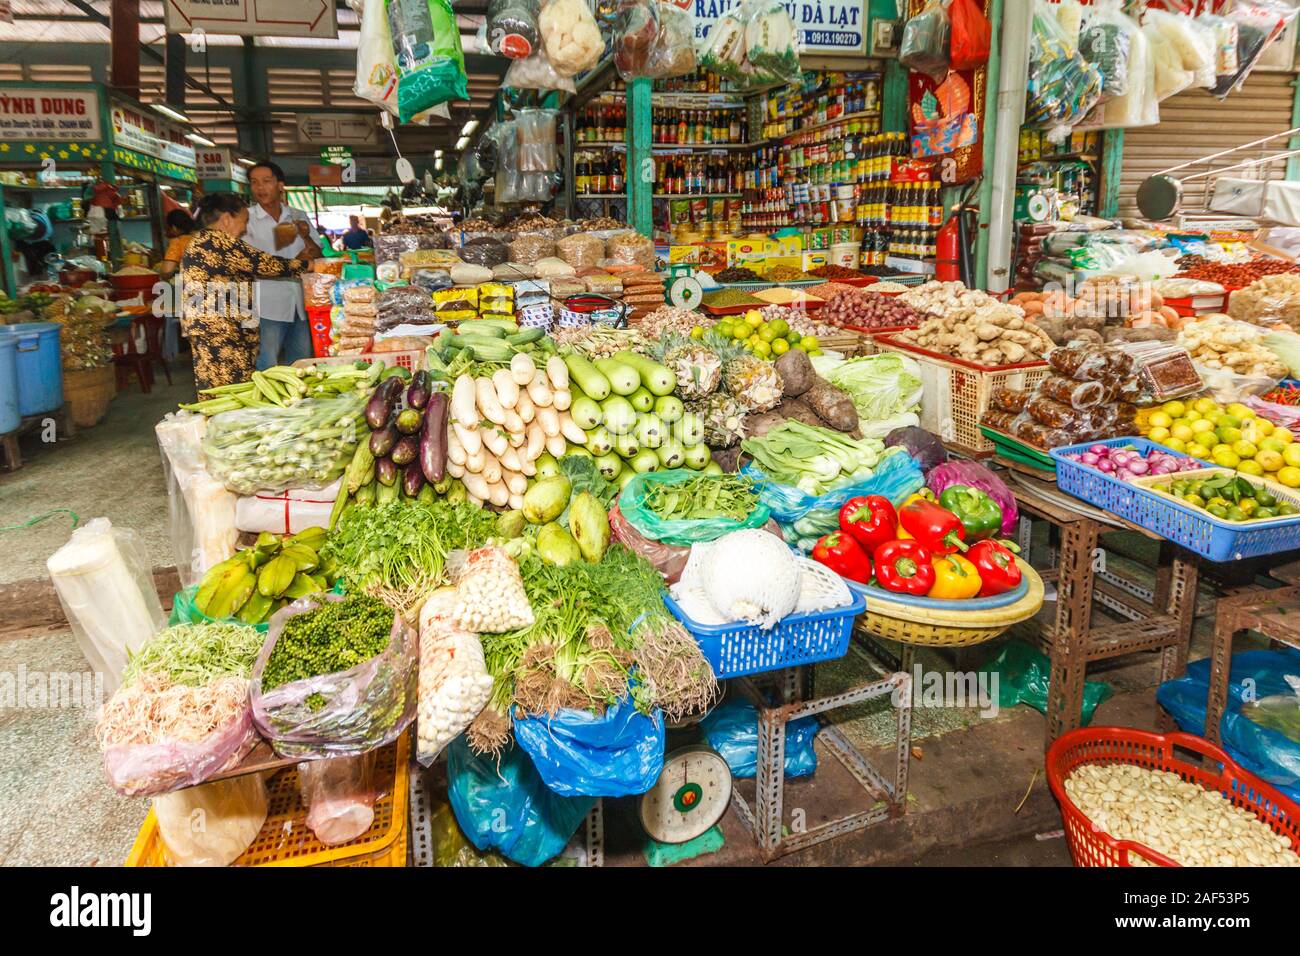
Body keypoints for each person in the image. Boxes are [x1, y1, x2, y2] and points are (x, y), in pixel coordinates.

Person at [180, 193, 310, 392]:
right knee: (233, 389)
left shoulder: (200, 241)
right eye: (244, 221)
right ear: (226, 219)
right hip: (221, 332)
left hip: (210, 328)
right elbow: (264, 264)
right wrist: (308, 265)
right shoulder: (218, 242)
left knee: (216, 387)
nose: (244, 228)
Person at [243, 160, 322, 369]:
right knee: (266, 364)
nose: (260, 188)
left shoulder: (297, 215)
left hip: (300, 302)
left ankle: (298, 401)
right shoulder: (246, 220)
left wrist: (306, 237)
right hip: (266, 305)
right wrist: (296, 263)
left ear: (280, 185)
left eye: (266, 181)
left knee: (301, 362)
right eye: (254, 182)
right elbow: (249, 263)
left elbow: (318, 255)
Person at [156, 209, 197, 279]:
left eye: (169, 228)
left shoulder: (178, 242)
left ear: (174, 228)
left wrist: (160, 273)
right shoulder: (205, 236)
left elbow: (167, 271)